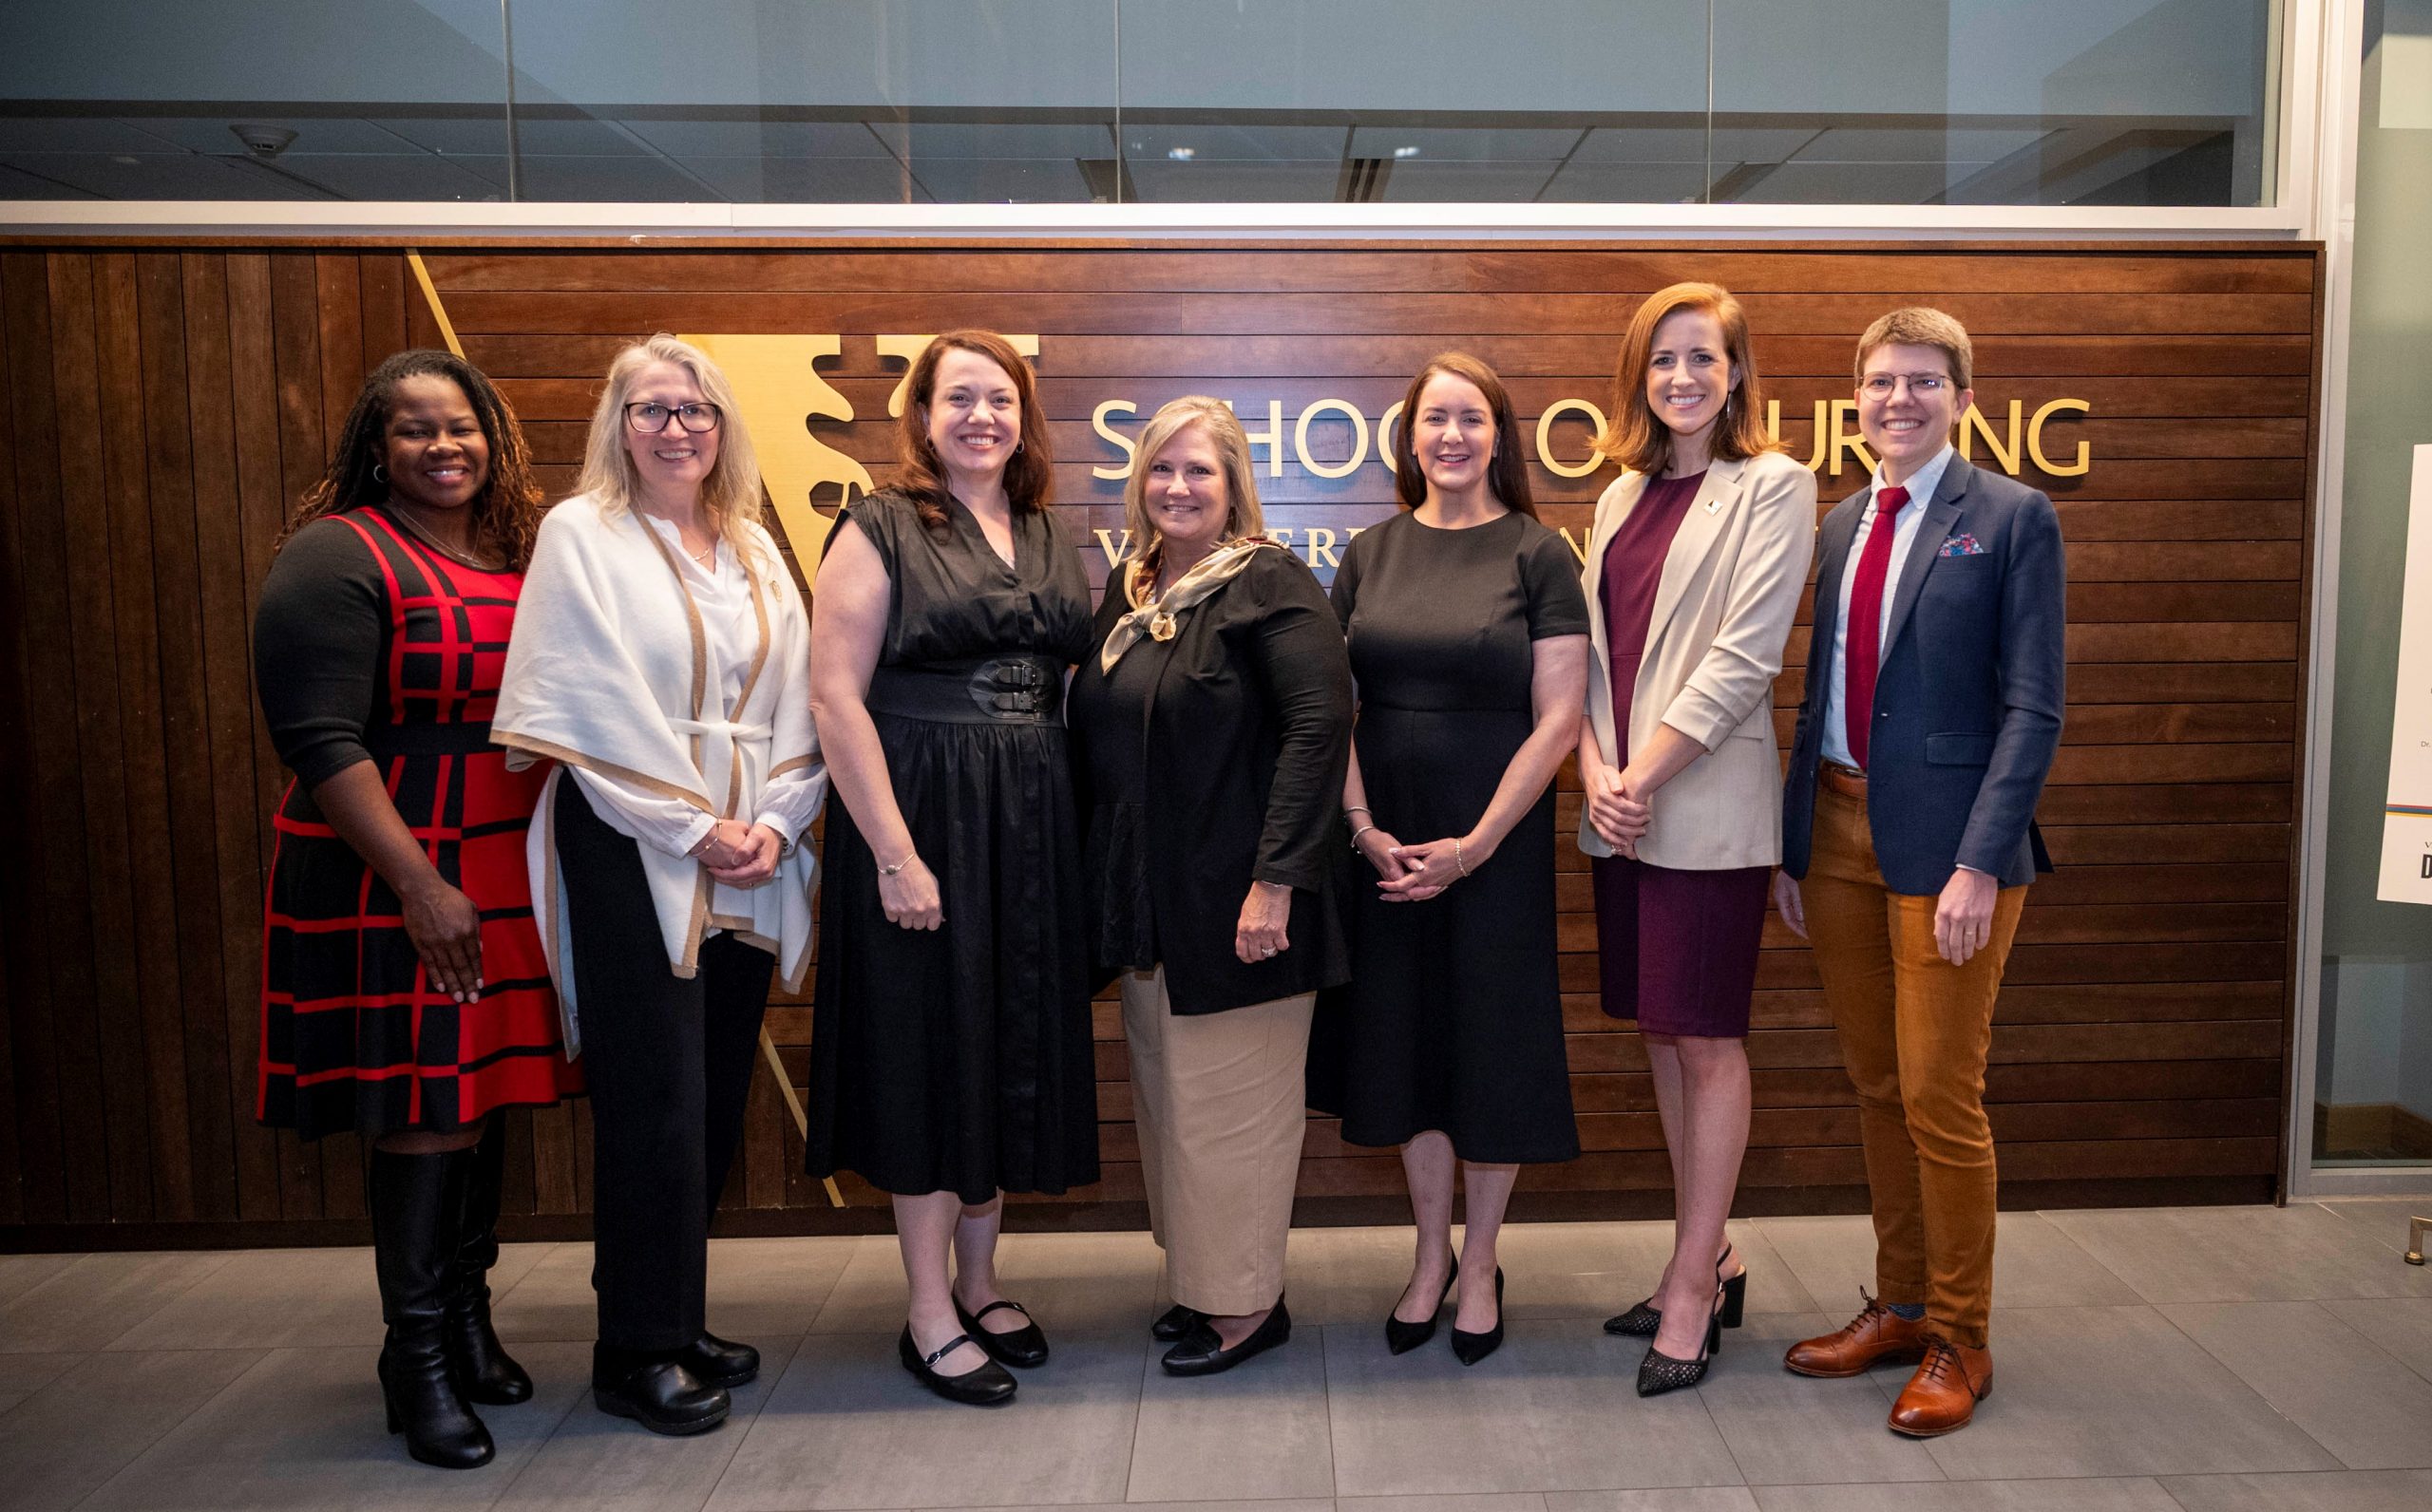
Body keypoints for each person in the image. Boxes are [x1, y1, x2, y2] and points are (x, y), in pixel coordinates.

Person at [254, 349, 580, 1470]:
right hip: (402, 870)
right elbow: (319, 741)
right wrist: (418, 883)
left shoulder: (503, 553)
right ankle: (419, 1356)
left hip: (499, 861)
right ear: (373, 448)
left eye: (463, 427)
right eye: (415, 430)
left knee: (475, 1099)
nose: (446, 447)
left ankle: (470, 1319)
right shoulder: (335, 555)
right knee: (426, 1104)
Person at [494, 334, 825, 1437]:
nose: (676, 427)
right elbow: (579, 700)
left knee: (715, 1090)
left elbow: (797, 691)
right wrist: (696, 824)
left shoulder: (755, 546)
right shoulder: (579, 534)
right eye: (651, 409)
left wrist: (774, 819)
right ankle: (632, 1346)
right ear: (616, 425)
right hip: (634, 840)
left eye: (696, 409)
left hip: (746, 846)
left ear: (723, 427)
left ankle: (676, 1318)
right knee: (653, 1100)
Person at [1774, 307, 2064, 1437]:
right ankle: (1898, 1306)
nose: (1898, 399)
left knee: (1941, 1095)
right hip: (1838, 836)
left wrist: (1981, 862)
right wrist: (1798, 845)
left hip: (1951, 855)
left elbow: (2033, 705)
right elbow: (1826, 693)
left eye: (1923, 381)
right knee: (1876, 1086)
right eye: (1880, 382)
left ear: (1961, 395)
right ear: (1855, 397)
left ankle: (1961, 1334)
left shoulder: (2009, 515)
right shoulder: (1842, 520)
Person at [805, 331, 1099, 1408]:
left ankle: (981, 1281)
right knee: (931, 1050)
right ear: (923, 416)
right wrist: (892, 851)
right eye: (959, 397)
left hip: (1030, 822)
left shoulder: (1047, 530)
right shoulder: (877, 523)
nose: (982, 414)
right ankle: (927, 1304)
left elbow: (1071, 685)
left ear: (1025, 414)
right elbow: (835, 693)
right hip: (924, 813)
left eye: (1001, 396)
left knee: (1004, 1038)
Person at [1308, 351, 1589, 1367]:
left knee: (1488, 1048)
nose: (1452, 436)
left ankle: (1481, 1263)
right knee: (1409, 1048)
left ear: (1496, 436)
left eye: (1471, 418)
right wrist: (1361, 824)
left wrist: (1473, 847)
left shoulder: (1538, 553)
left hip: (1494, 845)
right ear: (1410, 435)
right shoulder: (1369, 552)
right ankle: (1427, 1256)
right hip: (1385, 843)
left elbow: (1558, 718)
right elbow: (1331, 704)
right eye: (1435, 418)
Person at [1068, 398, 1355, 1376]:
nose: (1178, 488)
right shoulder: (1136, 584)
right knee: (1174, 1103)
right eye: (1160, 470)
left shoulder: (1269, 581)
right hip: (1154, 901)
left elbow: (1320, 731)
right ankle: (1202, 1283)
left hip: (1243, 905)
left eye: (1199, 470)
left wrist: (1275, 881)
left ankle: (1246, 1305)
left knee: (1233, 1111)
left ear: (1234, 482)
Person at [1575, 283, 1815, 1395]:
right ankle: (1707, 1254)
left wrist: (1638, 775)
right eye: (1661, 359)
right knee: (1661, 1036)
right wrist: (1595, 772)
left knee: (1708, 1038)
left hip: (1704, 815)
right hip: (1621, 814)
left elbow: (1744, 656)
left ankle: (1688, 1286)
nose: (1680, 377)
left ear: (1734, 372)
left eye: (1700, 357)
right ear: (1638, 375)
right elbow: (1585, 656)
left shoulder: (1772, 484)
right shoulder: (1618, 493)